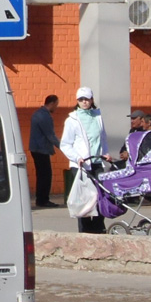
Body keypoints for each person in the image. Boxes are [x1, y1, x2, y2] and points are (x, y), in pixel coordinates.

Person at [59, 87, 110, 234]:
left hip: (97, 162)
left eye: (86, 99)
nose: (84, 102)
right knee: (85, 198)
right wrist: (77, 157)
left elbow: (103, 138)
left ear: (92, 100)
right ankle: (85, 230)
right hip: (81, 165)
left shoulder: (97, 117)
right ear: (77, 101)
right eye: (81, 99)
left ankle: (99, 227)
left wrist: (105, 153)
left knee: (101, 195)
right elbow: (65, 144)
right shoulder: (72, 120)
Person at [29, 95, 60, 208]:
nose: (56, 107)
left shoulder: (38, 114)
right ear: (51, 103)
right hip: (41, 149)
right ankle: (43, 200)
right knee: (45, 176)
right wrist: (64, 147)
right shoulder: (43, 116)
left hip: (37, 149)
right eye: (56, 105)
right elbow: (50, 135)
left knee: (41, 175)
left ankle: (41, 199)